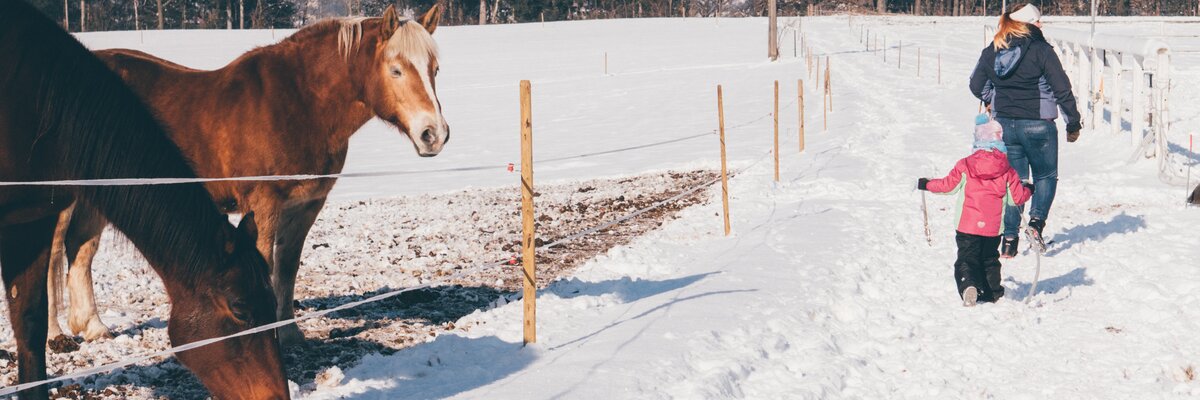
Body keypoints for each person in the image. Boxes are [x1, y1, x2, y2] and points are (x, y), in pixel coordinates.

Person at [969, 3, 1081, 258]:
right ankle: (1036, 224)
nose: (1041, 25)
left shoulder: (993, 49)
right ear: (1026, 23)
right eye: (1037, 21)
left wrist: (992, 99)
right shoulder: (1042, 51)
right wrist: (1073, 122)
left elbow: (976, 84)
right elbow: (1062, 88)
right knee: (1045, 176)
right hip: (1039, 124)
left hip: (1005, 124)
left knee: (1013, 181)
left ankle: (1009, 239)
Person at [918, 116, 1033, 306]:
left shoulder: (966, 164)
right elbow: (1016, 198)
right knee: (989, 259)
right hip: (993, 227)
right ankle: (992, 292)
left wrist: (927, 184)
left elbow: (948, 186)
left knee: (966, 258)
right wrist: (1029, 189)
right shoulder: (1007, 169)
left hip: (967, 224)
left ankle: (968, 285)